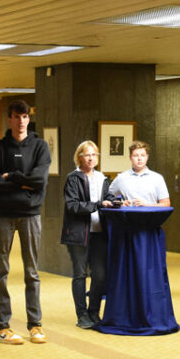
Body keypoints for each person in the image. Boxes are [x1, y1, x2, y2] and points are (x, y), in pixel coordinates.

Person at [0, 100, 51, 345]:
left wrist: (11, 176)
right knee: (1, 270)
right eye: (17, 116)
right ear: (9, 119)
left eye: (26, 116)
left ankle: (35, 324)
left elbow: (40, 181)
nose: (22, 121)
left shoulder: (40, 147)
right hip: (3, 215)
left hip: (30, 215)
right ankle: (1, 326)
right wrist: (24, 183)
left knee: (32, 272)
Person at [61, 140, 115, 329]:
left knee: (100, 275)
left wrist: (114, 202)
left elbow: (107, 198)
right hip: (78, 234)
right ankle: (82, 315)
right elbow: (73, 205)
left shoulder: (102, 178)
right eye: (87, 154)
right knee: (80, 275)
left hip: (99, 233)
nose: (91, 158)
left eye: (94, 154)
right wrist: (98, 205)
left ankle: (94, 312)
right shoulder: (73, 178)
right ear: (79, 157)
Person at [109, 141, 170, 206]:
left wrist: (147, 206)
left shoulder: (157, 178)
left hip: (151, 215)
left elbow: (166, 204)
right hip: (128, 215)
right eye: (135, 155)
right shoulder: (121, 178)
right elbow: (108, 198)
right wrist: (120, 203)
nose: (139, 158)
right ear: (130, 158)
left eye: (143, 155)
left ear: (147, 157)